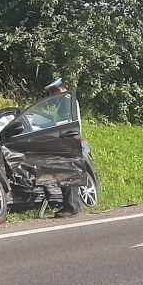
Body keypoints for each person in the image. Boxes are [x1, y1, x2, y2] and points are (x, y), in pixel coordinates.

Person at [44, 78, 83, 218]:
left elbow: (64, 123)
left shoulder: (66, 101)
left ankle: (71, 207)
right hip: (69, 138)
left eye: (54, 92)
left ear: (60, 89)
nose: (53, 95)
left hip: (67, 139)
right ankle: (73, 205)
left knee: (67, 173)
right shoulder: (67, 101)